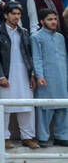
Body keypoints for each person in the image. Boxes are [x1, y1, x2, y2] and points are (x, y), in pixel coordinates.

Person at [0, 3, 38, 147]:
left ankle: (27, 137)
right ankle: (4, 137)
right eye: (14, 13)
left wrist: (32, 74)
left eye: (19, 14)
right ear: (5, 15)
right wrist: (0, 75)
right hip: (6, 73)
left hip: (24, 72)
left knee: (27, 105)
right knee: (4, 106)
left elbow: (29, 55)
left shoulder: (24, 31)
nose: (17, 16)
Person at [31, 9, 68, 146]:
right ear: (42, 22)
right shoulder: (36, 37)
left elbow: (64, 57)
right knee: (45, 108)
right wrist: (39, 76)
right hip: (46, 78)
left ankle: (62, 135)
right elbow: (36, 58)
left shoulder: (60, 37)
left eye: (55, 19)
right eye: (49, 19)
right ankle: (43, 137)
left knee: (63, 108)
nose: (53, 22)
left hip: (61, 77)